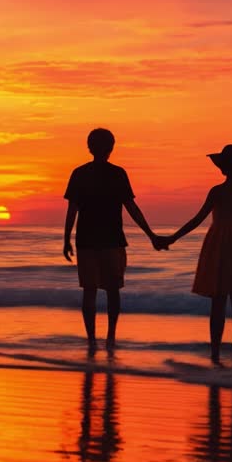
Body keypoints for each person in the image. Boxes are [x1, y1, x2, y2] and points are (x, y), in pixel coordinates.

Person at [63, 128, 162, 353]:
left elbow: (72, 210)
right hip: (111, 240)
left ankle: (92, 341)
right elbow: (132, 208)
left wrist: (66, 238)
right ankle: (110, 338)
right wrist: (151, 235)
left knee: (90, 291)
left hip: (88, 240)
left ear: (89, 147)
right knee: (112, 290)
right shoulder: (117, 174)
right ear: (111, 148)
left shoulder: (80, 173)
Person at [159, 144, 232, 366]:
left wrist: (172, 238)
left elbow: (197, 220)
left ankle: (215, 354)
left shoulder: (219, 191)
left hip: (220, 245)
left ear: (225, 168)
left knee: (219, 302)